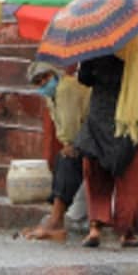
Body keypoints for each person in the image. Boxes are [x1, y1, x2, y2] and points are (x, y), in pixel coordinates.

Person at [74, 35, 138, 249]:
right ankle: (126, 233)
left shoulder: (95, 44)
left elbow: (84, 78)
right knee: (131, 179)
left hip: (99, 116)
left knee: (96, 174)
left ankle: (94, 228)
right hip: (132, 120)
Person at [21, 61, 91, 241]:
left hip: (92, 136)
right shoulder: (51, 95)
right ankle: (56, 216)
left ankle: (56, 220)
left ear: (53, 74)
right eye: (38, 82)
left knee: (68, 161)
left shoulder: (66, 88)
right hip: (81, 138)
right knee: (62, 160)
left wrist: (70, 143)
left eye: (45, 78)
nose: (43, 83)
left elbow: (70, 124)